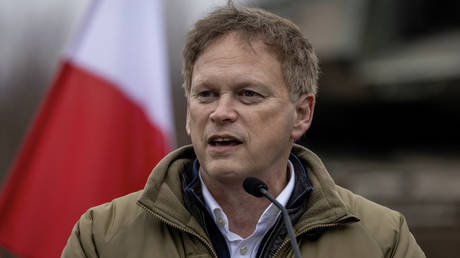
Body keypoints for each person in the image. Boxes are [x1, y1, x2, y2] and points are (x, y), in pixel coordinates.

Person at [62, 4, 425, 258]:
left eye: (247, 94)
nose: (221, 112)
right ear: (189, 114)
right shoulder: (102, 235)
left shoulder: (381, 238)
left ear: (301, 114)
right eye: (206, 94)